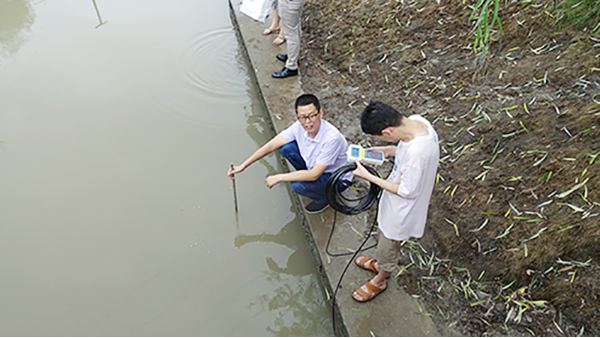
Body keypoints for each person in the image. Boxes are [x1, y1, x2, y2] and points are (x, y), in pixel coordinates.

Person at [350, 101, 439, 302]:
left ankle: (381, 278)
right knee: (384, 243)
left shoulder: (418, 154)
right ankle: (381, 264)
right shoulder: (416, 122)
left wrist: (369, 176)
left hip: (402, 212)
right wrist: (386, 150)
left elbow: (406, 191)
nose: (379, 139)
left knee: (388, 246)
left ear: (388, 131)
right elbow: (404, 149)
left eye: (379, 137)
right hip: (393, 205)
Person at [227, 94, 351, 214]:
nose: (308, 122)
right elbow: (271, 145)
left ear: (321, 113)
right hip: (316, 167)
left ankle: (324, 199)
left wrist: (279, 177)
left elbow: (314, 175)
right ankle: (308, 181)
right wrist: (243, 165)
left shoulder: (331, 138)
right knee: (287, 148)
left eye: (312, 116)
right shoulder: (298, 127)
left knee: (297, 185)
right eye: (303, 117)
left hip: (336, 178)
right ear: (297, 116)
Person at [271, 0, 306, 79]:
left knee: (290, 33)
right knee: (295, 27)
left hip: (290, 2)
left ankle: (291, 67)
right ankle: (292, 57)